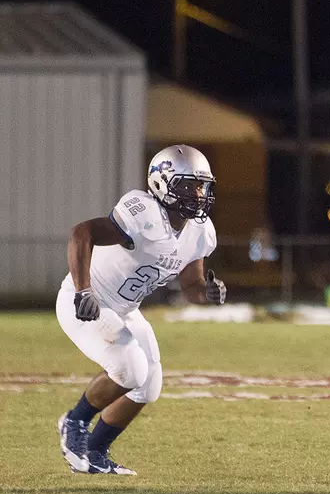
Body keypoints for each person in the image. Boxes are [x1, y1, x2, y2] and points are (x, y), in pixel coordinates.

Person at [56, 145, 227, 475]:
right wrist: (83, 290)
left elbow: (191, 287)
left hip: (123, 308)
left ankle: (95, 451)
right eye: (189, 184)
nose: (198, 193)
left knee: (149, 384)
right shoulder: (144, 212)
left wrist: (207, 293)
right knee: (131, 369)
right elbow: (82, 233)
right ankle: (74, 423)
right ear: (163, 184)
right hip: (87, 301)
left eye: (202, 185)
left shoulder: (200, 232)